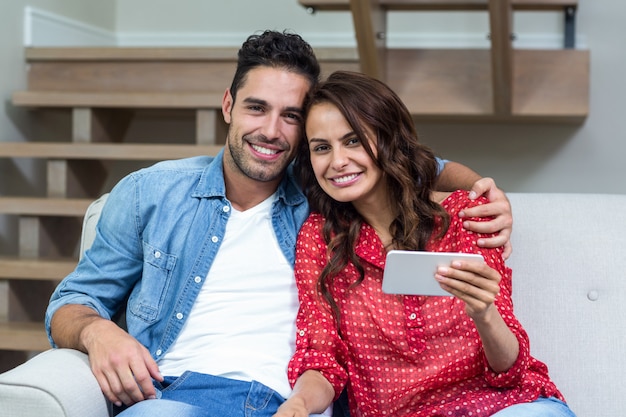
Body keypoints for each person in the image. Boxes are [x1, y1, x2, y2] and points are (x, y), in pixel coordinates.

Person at [45, 31, 512, 417]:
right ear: (228, 105)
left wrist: (487, 195)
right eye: (256, 108)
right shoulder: (151, 193)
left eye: (291, 116)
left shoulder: (324, 189)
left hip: (296, 402)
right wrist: (97, 331)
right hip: (176, 395)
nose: (271, 131)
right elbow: (74, 300)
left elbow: (407, 162)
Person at [278, 70, 575, 417]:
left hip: (503, 407)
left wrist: (484, 314)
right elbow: (322, 359)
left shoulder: (464, 214)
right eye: (321, 148)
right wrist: (298, 404)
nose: (338, 161)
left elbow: (510, 368)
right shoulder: (320, 239)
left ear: (387, 138)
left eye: (353, 140)